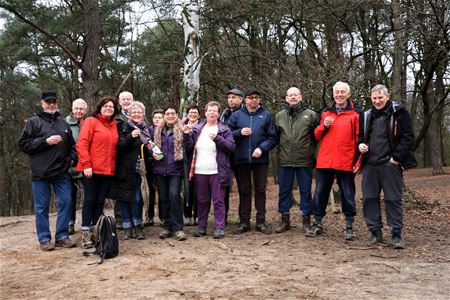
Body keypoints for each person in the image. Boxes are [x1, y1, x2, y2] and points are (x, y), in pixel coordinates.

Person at [357, 84, 415, 249]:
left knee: (393, 199)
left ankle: (396, 234)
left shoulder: (399, 112)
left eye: (380, 97)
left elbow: (408, 137)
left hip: (390, 164)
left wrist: (396, 158)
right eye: (374, 98)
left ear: (387, 96)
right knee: (369, 198)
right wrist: (360, 145)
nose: (377, 101)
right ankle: (375, 233)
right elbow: (360, 137)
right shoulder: (367, 115)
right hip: (369, 164)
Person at [18, 91, 77, 251]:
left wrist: (71, 159)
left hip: (61, 172)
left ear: (57, 103)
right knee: (41, 207)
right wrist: (45, 141)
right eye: (48, 102)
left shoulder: (63, 123)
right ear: (42, 103)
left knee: (66, 202)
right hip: (40, 173)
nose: (51, 104)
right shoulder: (33, 122)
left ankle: (62, 236)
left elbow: (73, 146)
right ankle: (44, 239)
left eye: (53, 102)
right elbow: (23, 145)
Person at [306, 81, 360, 241]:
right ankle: (317, 224)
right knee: (320, 193)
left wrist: (358, 161)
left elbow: (360, 139)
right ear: (333, 94)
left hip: (346, 161)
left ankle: (349, 227)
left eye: (343, 92)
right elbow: (315, 136)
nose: (339, 95)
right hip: (326, 161)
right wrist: (323, 126)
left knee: (348, 194)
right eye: (337, 92)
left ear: (348, 94)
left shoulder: (356, 114)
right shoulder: (324, 113)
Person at [228, 88, 278, 235]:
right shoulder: (236, 115)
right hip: (241, 159)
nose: (253, 100)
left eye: (256, 98)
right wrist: (239, 133)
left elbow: (273, 137)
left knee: (260, 190)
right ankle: (244, 222)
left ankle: (261, 221)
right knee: (244, 190)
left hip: (260, 160)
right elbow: (226, 134)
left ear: (259, 100)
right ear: (245, 100)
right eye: (250, 98)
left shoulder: (267, 115)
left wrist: (261, 148)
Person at [187, 101, 235, 239]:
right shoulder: (198, 129)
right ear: (205, 112)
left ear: (219, 114)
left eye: (215, 110)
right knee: (202, 200)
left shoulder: (224, 129)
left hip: (218, 171)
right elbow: (189, 147)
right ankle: (201, 226)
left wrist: (218, 139)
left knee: (218, 200)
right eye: (210, 110)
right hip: (200, 170)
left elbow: (232, 147)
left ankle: (219, 227)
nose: (212, 113)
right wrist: (186, 135)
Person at [76, 96, 119, 248]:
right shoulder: (91, 121)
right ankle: (86, 232)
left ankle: (97, 230)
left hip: (107, 170)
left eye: (112, 107)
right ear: (100, 107)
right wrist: (86, 164)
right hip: (91, 170)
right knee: (90, 200)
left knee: (100, 201)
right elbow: (82, 144)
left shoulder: (113, 125)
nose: (109, 108)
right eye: (106, 106)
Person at [275, 87, 318, 233]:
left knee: (305, 191)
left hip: (304, 160)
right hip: (285, 160)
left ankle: (306, 221)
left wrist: (316, 158)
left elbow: (317, 137)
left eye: (296, 95)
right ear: (286, 99)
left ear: (301, 97)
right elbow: (275, 138)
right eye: (290, 95)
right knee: (284, 191)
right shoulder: (279, 116)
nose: (293, 97)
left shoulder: (311, 115)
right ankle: (284, 220)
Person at [109, 101, 151, 240]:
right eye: (134, 112)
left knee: (137, 199)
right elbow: (118, 146)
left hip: (138, 170)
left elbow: (147, 148)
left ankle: (138, 226)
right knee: (123, 199)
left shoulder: (146, 129)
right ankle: (127, 228)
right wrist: (130, 137)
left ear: (143, 114)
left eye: (139, 112)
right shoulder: (123, 127)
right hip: (123, 169)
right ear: (129, 114)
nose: (137, 114)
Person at [151, 103, 193, 241]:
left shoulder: (182, 128)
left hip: (176, 170)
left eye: (172, 113)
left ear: (177, 115)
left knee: (174, 196)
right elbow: (150, 147)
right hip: (160, 170)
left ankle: (178, 228)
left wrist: (187, 135)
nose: (170, 116)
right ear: (164, 115)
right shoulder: (157, 130)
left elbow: (189, 147)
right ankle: (167, 226)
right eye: (167, 113)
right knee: (163, 199)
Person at [220, 88, 245, 224]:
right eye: (229, 97)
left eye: (234, 97)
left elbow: (228, 134)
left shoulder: (245, 114)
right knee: (224, 187)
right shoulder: (224, 114)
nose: (231, 100)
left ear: (241, 99)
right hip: (225, 155)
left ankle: (243, 218)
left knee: (243, 187)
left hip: (240, 155)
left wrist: (237, 133)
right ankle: (222, 216)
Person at [65, 98, 88, 235]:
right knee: (69, 197)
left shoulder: (90, 123)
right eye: (76, 108)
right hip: (70, 165)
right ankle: (69, 223)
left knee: (89, 196)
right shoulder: (64, 123)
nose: (78, 111)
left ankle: (89, 222)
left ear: (85, 110)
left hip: (87, 166)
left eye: (81, 109)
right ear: (72, 109)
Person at [113, 91, 134, 228]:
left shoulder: (139, 115)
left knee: (134, 190)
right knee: (120, 189)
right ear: (120, 102)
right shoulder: (116, 118)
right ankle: (120, 219)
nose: (126, 101)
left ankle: (134, 218)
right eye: (123, 99)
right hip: (120, 157)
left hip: (135, 159)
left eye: (129, 99)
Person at [144, 109, 164, 227]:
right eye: (155, 117)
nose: (157, 119)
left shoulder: (165, 131)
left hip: (162, 165)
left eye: (160, 117)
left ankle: (162, 216)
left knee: (162, 192)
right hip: (149, 165)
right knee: (150, 192)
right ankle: (149, 216)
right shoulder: (147, 131)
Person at [182, 104, 201, 226]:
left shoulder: (202, 127)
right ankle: (187, 215)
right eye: (191, 112)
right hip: (185, 161)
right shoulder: (182, 126)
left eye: (195, 112)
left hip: (199, 161)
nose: (193, 114)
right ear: (187, 114)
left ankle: (198, 215)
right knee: (187, 189)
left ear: (199, 115)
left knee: (198, 189)